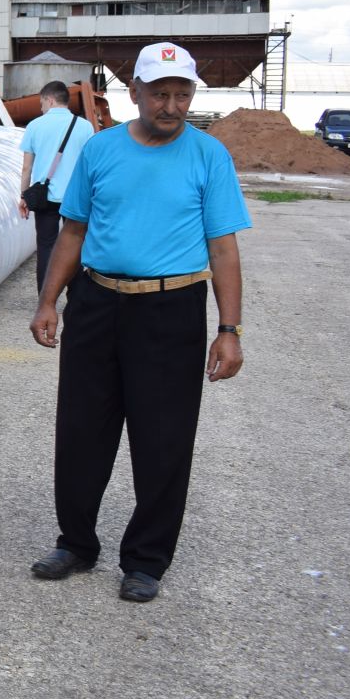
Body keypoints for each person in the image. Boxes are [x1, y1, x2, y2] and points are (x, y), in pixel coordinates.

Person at [28, 41, 248, 603]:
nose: (171, 106)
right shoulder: (100, 151)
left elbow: (222, 248)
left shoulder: (208, 156)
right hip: (97, 303)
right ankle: (75, 543)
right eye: (160, 94)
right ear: (136, 94)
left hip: (170, 310)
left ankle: (146, 559)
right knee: (81, 430)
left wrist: (229, 329)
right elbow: (71, 232)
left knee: (164, 439)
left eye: (182, 94)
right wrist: (49, 300)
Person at [18, 80, 94, 294]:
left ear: (49, 100)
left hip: (45, 198)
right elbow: (90, 165)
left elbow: (27, 168)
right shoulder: (84, 126)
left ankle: (46, 295)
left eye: (42, 103)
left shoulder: (35, 125)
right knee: (76, 245)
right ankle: (76, 293)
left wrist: (23, 196)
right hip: (75, 198)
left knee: (46, 247)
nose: (41, 108)